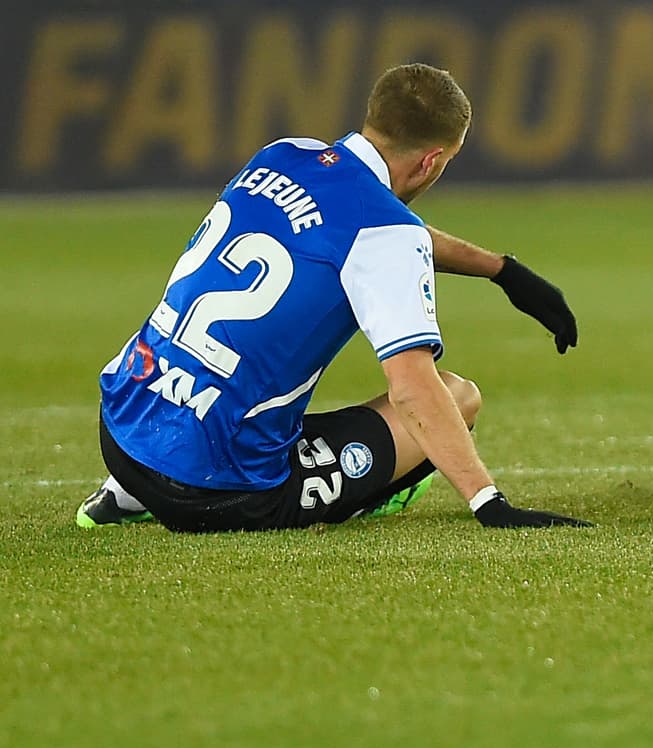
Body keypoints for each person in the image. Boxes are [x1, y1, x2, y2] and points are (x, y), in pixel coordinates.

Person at [76, 63, 590, 532]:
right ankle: (368, 494)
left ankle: (125, 495)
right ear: (432, 160)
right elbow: (412, 388)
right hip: (218, 491)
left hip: (121, 428)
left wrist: (501, 270)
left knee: (215, 386)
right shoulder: (386, 234)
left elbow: (364, 230)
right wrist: (489, 503)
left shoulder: (282, 155)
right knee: (458, 396)